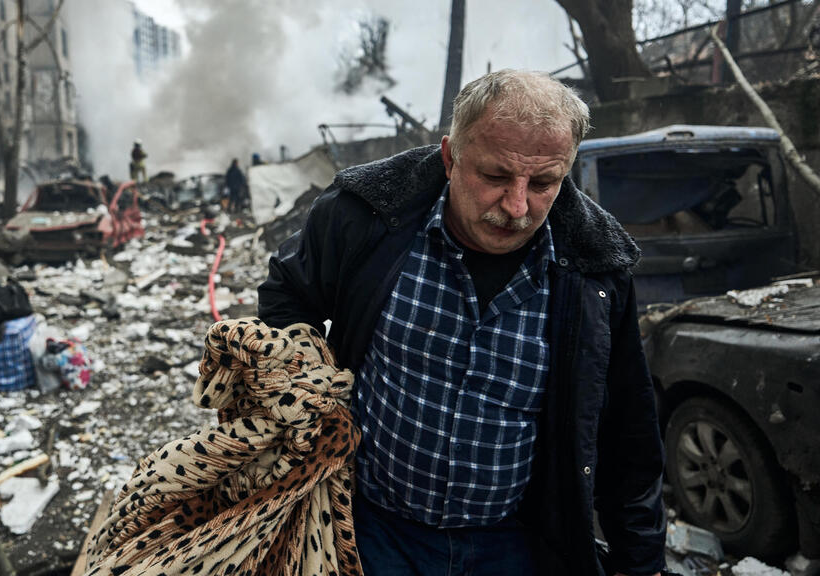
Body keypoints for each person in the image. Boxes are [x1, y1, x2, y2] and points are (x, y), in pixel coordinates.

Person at [257, 70, 665, 576]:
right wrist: (302, 394)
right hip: (370, 530)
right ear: (451, 158)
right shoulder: (367, 214)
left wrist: (640, 564)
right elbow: (287, 296)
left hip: (514, 544)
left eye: (543, 183)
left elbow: (629, 433)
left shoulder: (595, 272)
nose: (517, 207)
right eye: (495, 177)